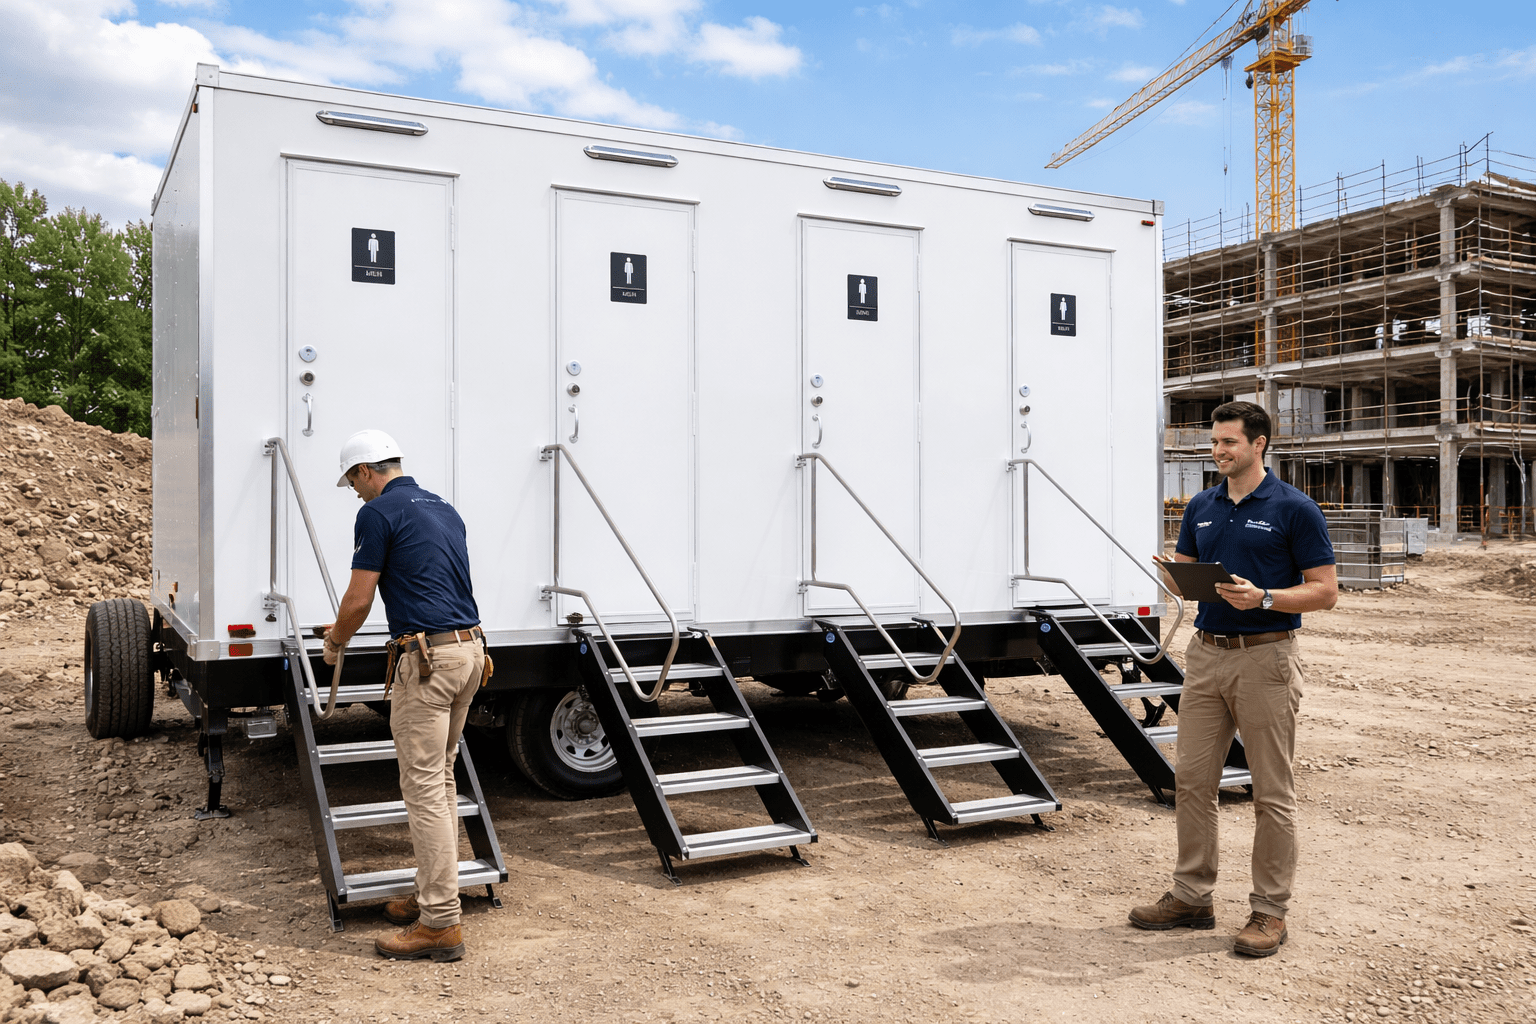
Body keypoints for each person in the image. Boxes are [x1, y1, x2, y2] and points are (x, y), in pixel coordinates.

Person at [1130, 401, 1337, 958]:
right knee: (1193, 781)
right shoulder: (1201, 504)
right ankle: (1192, 896)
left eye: (1229, 442)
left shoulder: (1296, 509)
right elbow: (1187, 572)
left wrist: (1265, 597)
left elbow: (1325, 590)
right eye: (1215, 442)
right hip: (1206, 655)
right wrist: (1175, 574)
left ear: (1259, 444)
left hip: (1266, 658)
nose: (1218, 451)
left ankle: (1270, 912)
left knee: (1272, 791)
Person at [320, 429, 486, 963]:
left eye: (352, 481)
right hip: (469, 653)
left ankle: (440, 923)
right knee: (439, 781)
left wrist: (335, 641)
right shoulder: (442, 506)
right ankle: (431, 895)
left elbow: (359, 598)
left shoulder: (379, 512)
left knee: (424, 791)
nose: (354, 491)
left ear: (367, 470)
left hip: (429, 662)